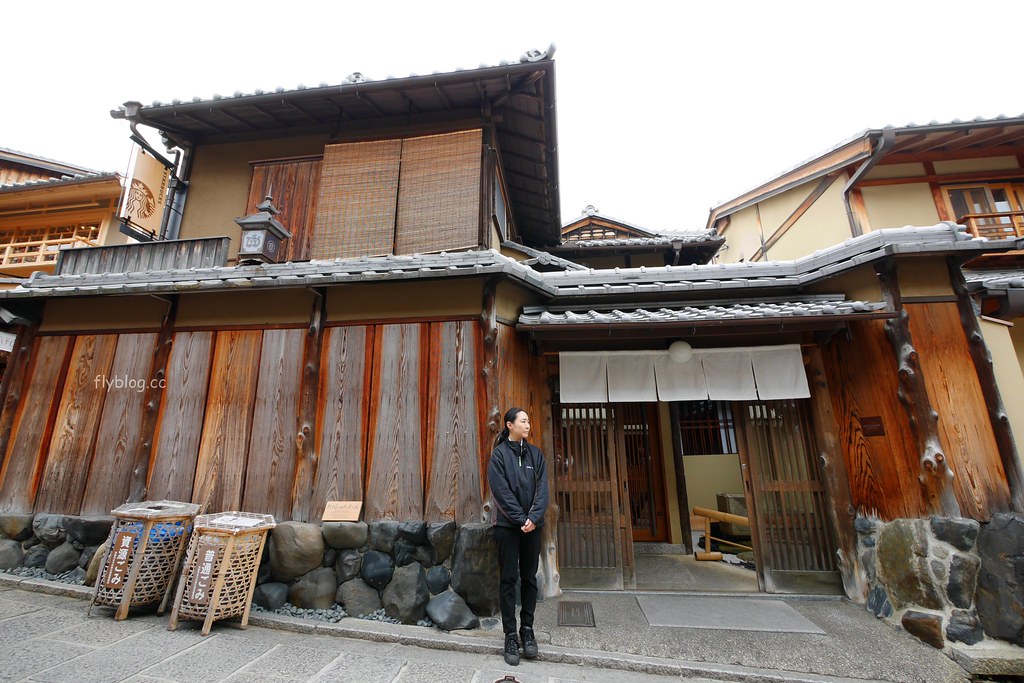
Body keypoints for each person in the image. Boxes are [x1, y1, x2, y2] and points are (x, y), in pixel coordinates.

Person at [487, 407, 549, 667]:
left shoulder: (536, 454)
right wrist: (520, 518)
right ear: (510, 425)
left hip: (532, 528)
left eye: (528, 420)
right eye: (523, 420)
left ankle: (528, 629)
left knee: (529, 579)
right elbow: (500, 491)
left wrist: (533, 518)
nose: (528, 424)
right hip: (507, 527)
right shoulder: (499, 456)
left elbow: (543, 489)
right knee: (508, 579)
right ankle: (510, 635)